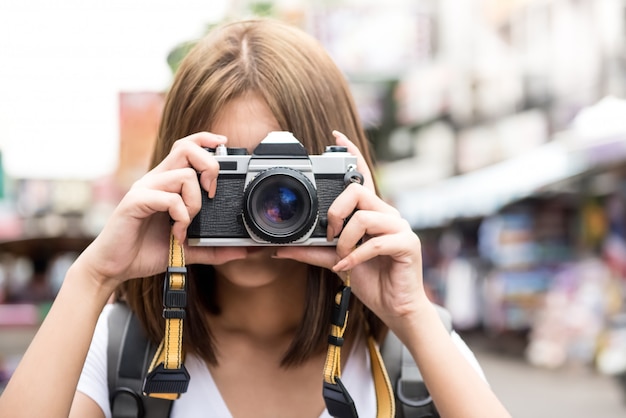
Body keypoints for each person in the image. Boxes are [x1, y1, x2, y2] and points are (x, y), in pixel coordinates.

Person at [0, 18, 511, 418]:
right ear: (170, 172)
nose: (264, 204)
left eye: (288, 178)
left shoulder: (411, 354)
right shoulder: (119, 349)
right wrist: (94, 277)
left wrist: (411, 315)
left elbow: (413, 323)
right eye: (230, 173)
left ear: (343, 178)